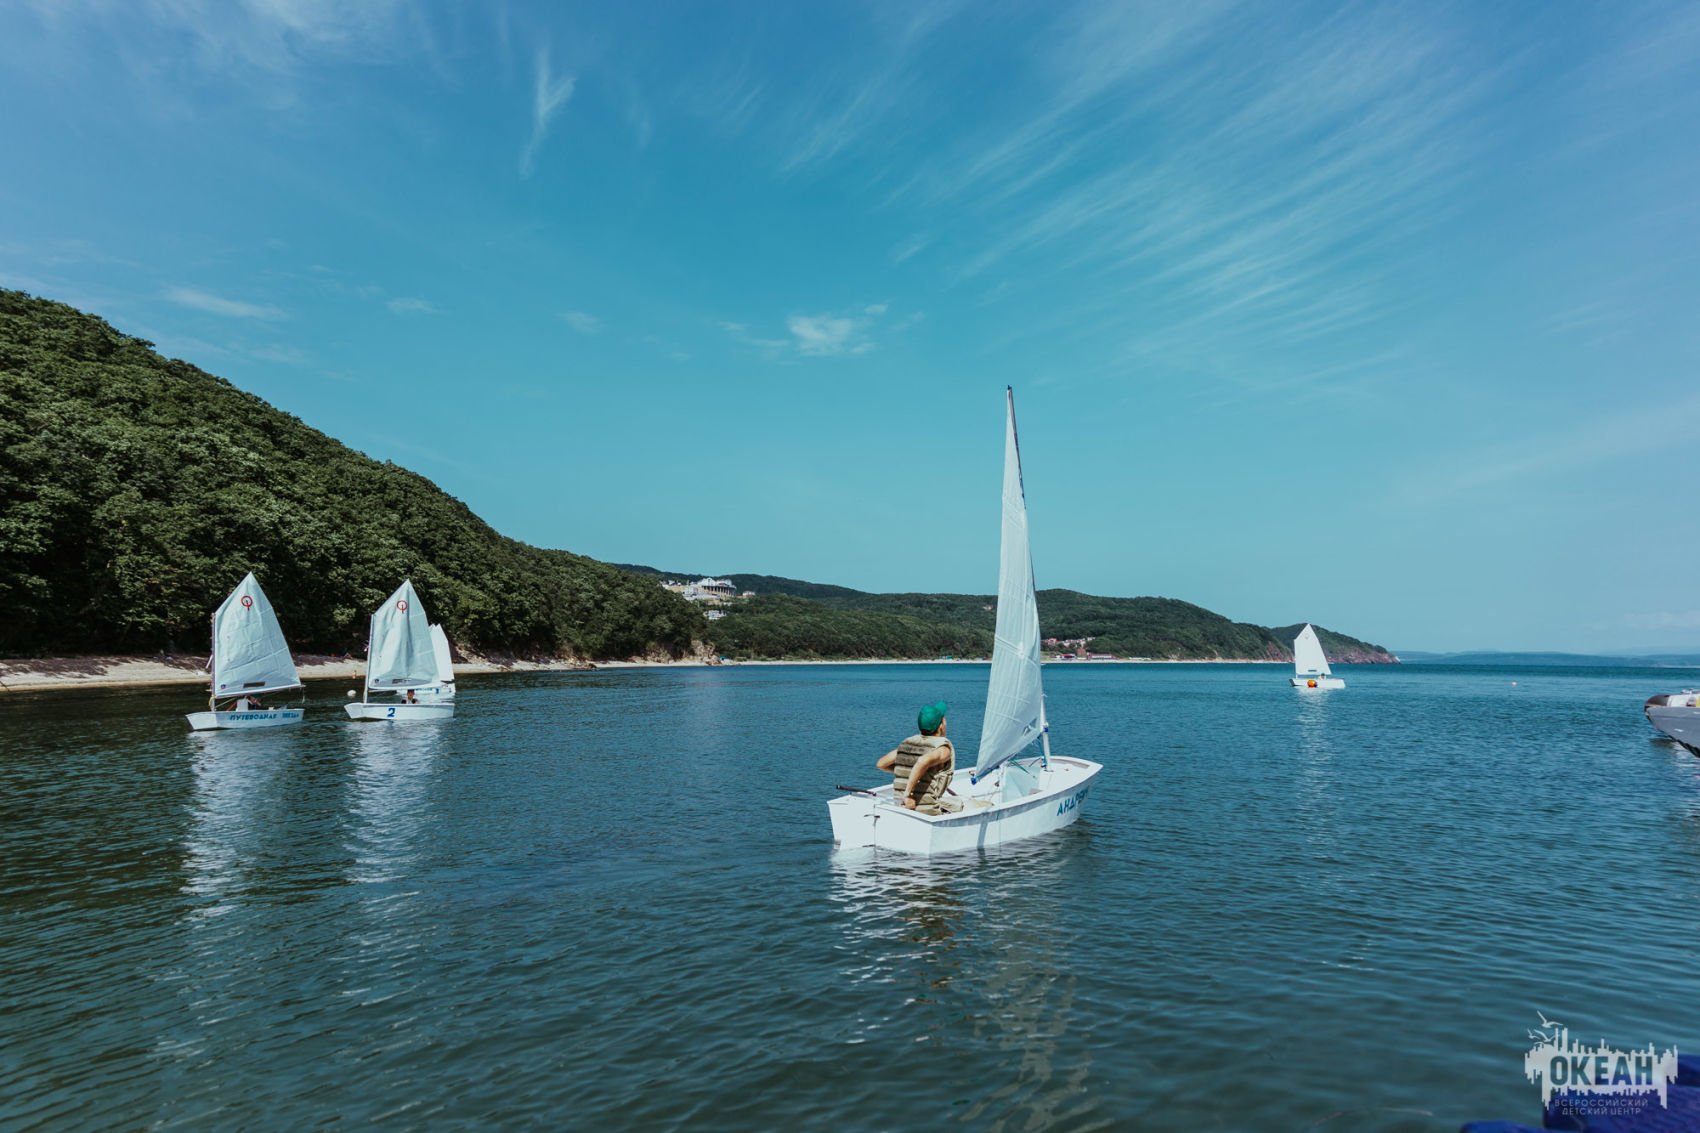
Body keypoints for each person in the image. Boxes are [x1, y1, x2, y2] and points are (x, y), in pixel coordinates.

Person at [875, 700, 961, 814]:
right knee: (960, 805)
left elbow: (881, 764)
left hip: (899, 807)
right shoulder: (943, 749)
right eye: (944, 720)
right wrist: (907, 795)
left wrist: (905, 772)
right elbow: (922, 761)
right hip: (926, 810)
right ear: (940, 726)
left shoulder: (908, 744)